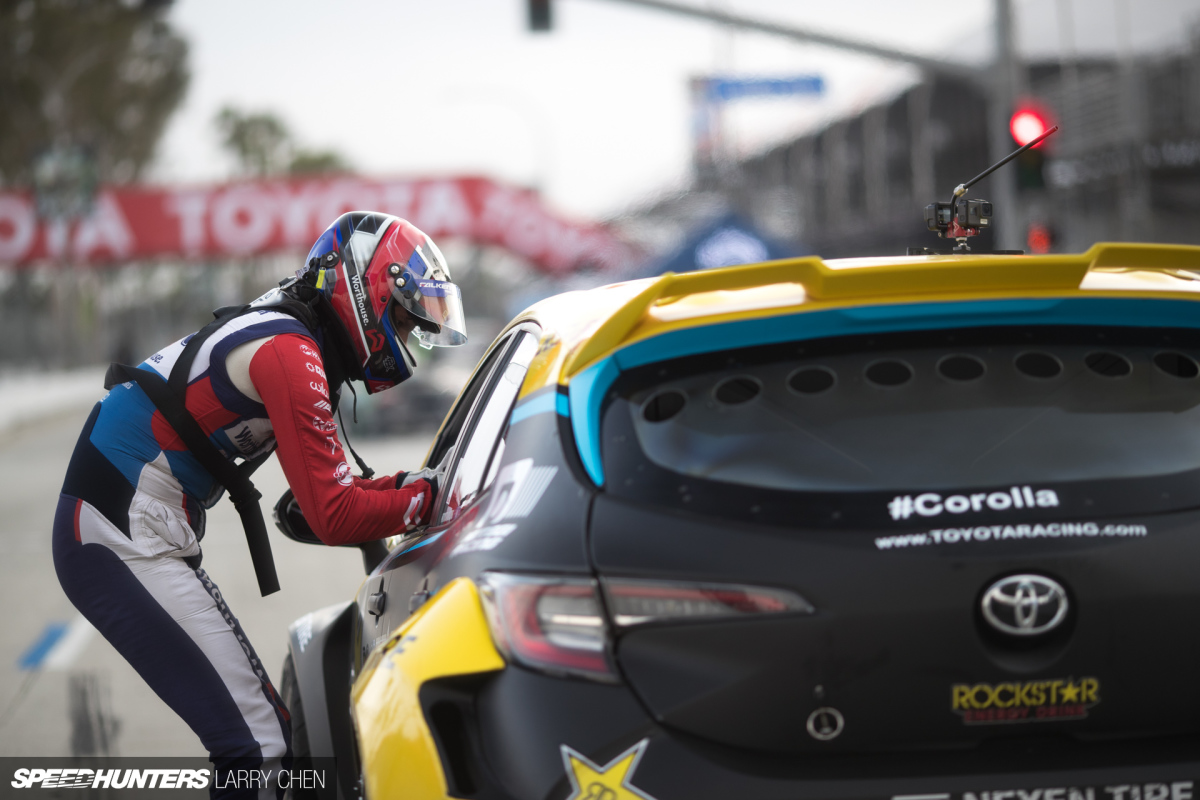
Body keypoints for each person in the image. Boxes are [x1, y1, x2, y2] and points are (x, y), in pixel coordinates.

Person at [51, 212, 467, 798]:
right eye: (402, 314)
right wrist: (429, 499)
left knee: (262, 742)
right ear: (362, 286)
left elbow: (330, 491)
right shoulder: (288, 352)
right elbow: (333, 513)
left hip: (132, 524)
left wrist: (410, 485)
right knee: (260, 748)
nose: (404, 335)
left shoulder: (291, 336)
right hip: (121, 531)